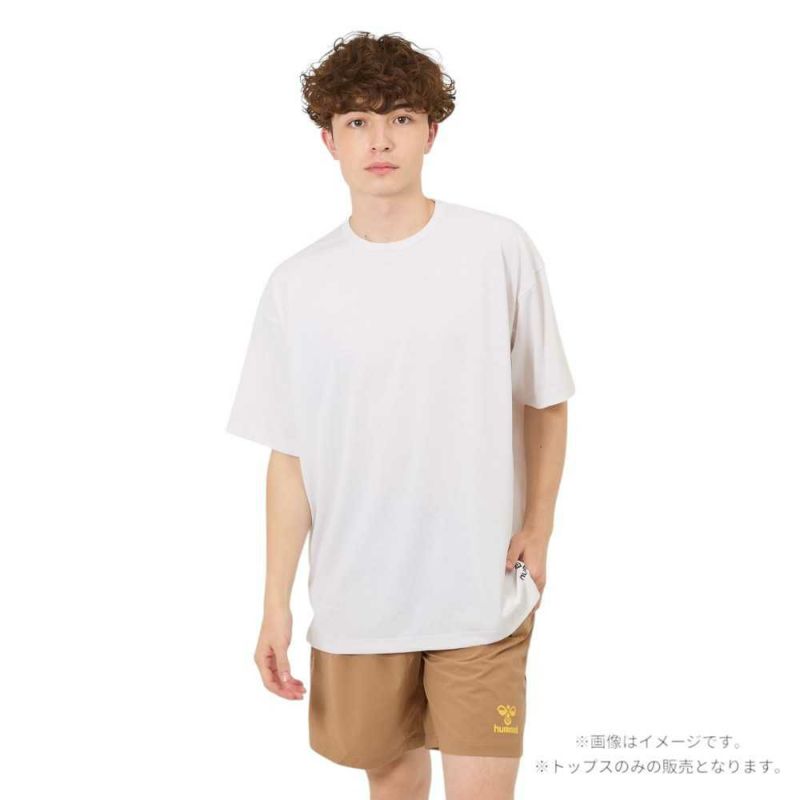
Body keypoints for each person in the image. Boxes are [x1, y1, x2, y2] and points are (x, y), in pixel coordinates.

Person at [226, 31, 575, 800]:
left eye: (401, 118)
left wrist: (540, 525)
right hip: (359, 601)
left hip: (483, 592)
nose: (379, 141)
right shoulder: (296, 285)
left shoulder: (497, 249)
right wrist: (275, 603)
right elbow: (291, 455)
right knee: (392, 785)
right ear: (329, 140)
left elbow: (545, 398)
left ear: (431, 132)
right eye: (357, 121)